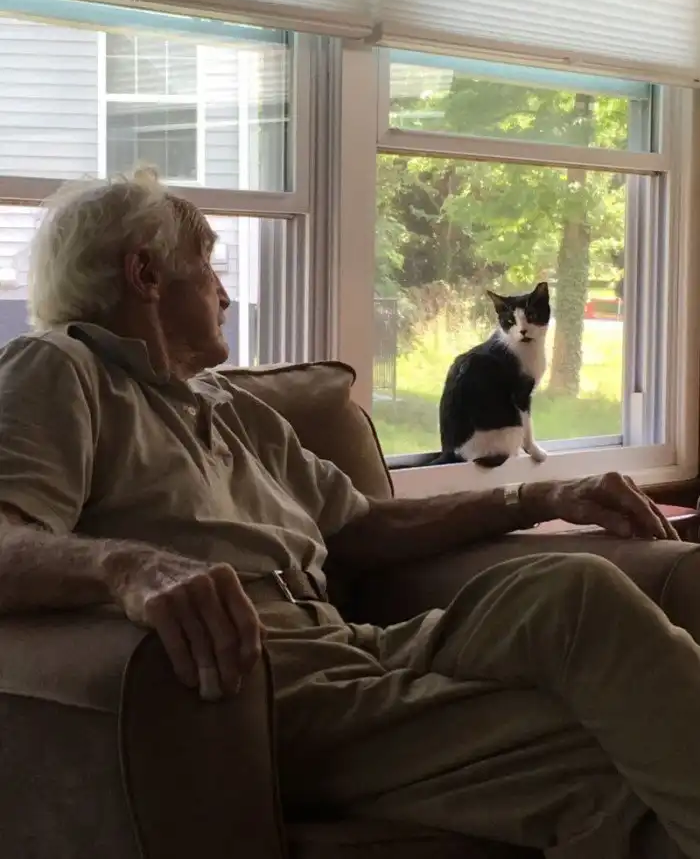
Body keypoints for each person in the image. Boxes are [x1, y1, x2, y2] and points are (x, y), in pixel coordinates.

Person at [0, 170, 696, 859]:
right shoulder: (60, 368)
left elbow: (362, 525)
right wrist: (127, 567)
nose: (226, 294)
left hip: (354, 645)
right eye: (207, 266)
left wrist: (537, 498)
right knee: (606, 752)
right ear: (146, 273)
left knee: (577, 591)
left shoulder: (231, 407)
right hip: (264, 684)